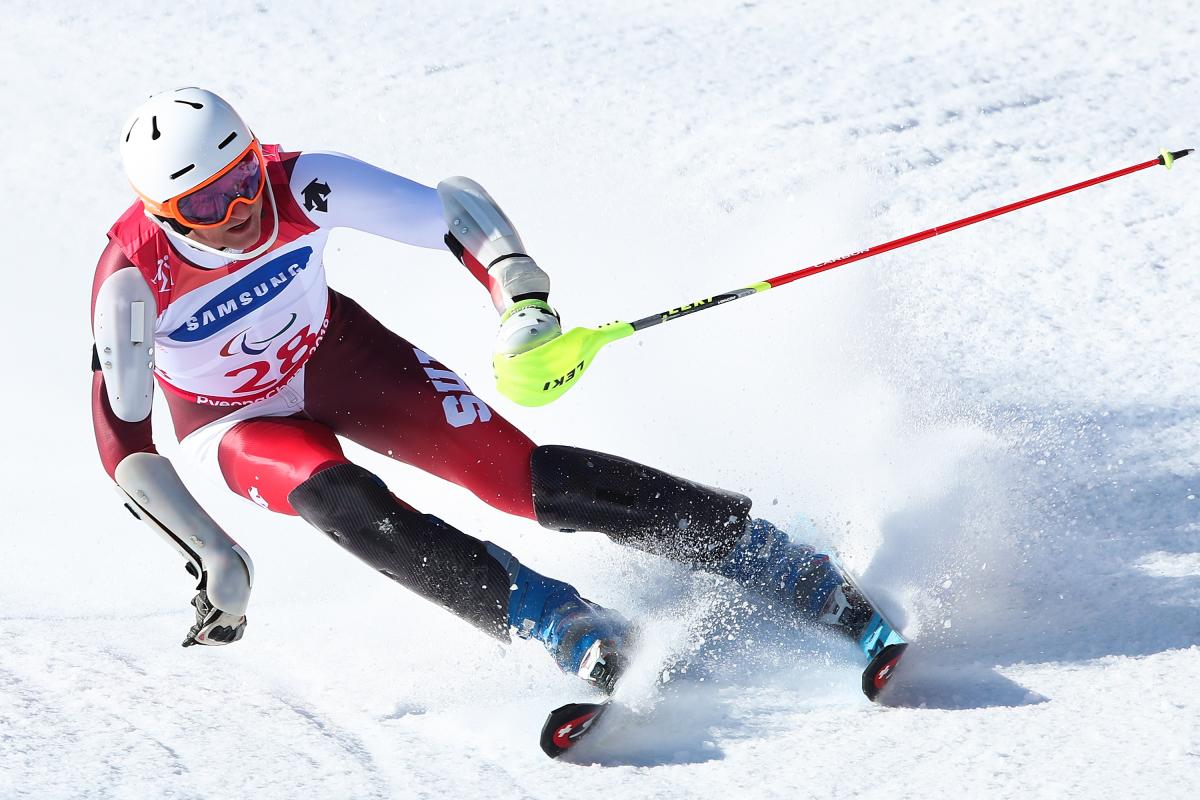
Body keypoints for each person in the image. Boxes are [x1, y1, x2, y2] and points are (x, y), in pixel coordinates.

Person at [91, 87, 861, 693]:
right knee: (345, 503)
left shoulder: (302, 183)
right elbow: (124, 444)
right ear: (163, 213)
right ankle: (556, 620)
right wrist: (214, 556)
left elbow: (453, 210)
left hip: (341, 356)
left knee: (521, 481)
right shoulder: (133, 278)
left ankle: (768, 556)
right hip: (235, 422)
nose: (240, 212)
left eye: (245, 179)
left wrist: (522, 306)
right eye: (203, 205)